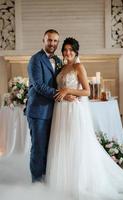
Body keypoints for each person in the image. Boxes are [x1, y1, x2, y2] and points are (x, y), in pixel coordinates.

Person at [45, 37, 123, 200]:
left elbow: (86, 91)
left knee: (75, 143)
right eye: (65, 49)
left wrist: (68, 91)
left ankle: (79, 182)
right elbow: (59, 90)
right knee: (62, 142)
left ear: (76, 51)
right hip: (61, 109)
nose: (67, 52)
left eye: (71, 49)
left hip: (73, 110)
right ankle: (63, 181)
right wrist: (63, 94)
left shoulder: (79, 66)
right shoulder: (62, 67)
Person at [25, 29, 62, 183]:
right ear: (43, 40)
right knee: (38, 148)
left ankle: (47, 177)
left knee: (49, 147)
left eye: (55, 41)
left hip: (54, 111)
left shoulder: (59, 60)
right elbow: (39, 85)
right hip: (38, 111)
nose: (52, 43)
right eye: (49, 40)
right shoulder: (35, 59)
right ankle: (36, 182)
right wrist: (61, 93)